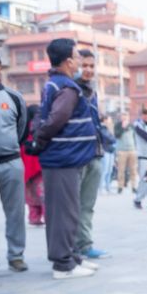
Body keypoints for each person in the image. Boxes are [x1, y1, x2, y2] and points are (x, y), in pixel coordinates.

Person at [32, 39, 98, 279]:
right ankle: (63, 264)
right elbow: (56, 118)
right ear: (69, 61)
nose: (80, 62)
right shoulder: (67, 88)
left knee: (68, 210)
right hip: (62, 159)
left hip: (66, 159)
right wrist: (40, 139)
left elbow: (43, 115)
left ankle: (71, 257)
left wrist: (39, 137)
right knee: (63, 212)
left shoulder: (57, 84)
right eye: (77, 57)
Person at [0, 50, 28, 272]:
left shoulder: (14, 97)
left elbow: (22, 129)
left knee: (15, 212)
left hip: (10, 162)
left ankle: (16, 255)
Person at [75, 50, 111, 260]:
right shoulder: (68, 89)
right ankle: (69, 249)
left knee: (87, 204)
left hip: (95, 153)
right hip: (76, 155)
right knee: (73, 205)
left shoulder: (92, 92)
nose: (88, 70)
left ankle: (85, 244)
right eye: (84, 65)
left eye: (91, 66)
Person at [21, 104, 44, 226]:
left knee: (31, 193)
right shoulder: (41, 127)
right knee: (43, 193)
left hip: (27, 168)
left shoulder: (23, 129)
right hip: (40, 167)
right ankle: (46, 216)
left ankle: (34, 217)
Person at [132, 108, 147, 209]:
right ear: (142, 116)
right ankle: (138, 199)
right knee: (144, 180)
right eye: (145, 115)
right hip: (143, 157)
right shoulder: (138, 125)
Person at [114, 111, 138, 194]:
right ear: (120, 117)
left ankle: (134, 186)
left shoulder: (131, 125)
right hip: (122, 151)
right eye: (123, 116)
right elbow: (116, 135)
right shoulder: (117, 125)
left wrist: (136, 148)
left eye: (126, 116)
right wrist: (123, 128)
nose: (124, 118)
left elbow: (135, 137)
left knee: (133, 170)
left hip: (132, 150)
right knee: (121, 170)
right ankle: (120, 187)